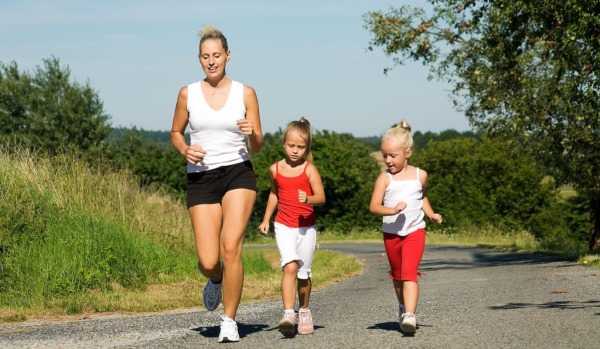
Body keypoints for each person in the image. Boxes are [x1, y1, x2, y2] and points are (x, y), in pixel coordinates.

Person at [170, 25, 263, 343]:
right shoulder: (188, 93)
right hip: (201, 176)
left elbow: (259, 145)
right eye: (206, 57)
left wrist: (253, 133)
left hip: (238, 173)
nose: (212, 61)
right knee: (209, 260)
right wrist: (184, 148)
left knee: (231, 246)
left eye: (217, 55)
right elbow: (175, 133)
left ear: (228, 55)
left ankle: (230, 320)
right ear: (199, 59)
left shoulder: (245, 93)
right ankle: (216, 279)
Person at [369, 120, 442, 336]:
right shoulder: (384, 178)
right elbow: (374, 206)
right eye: (385, 155)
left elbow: (422, 197)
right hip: (391, 234)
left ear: (407, 153)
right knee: (398, 275)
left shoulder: (421, 175)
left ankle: (410, 314)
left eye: (393, 156)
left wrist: (431, 214)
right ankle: (402, 307)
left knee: (410, 273)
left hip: (414, 231)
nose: (388, 160)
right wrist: (391, 211)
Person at [258, 117, 325, 337]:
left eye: (301, 147)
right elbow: (274, 194)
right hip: (283, 225)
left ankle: (304, 310)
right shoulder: (275, 169)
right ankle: (288, 313)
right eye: (291, 146)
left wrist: (308, 199)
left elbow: (321, 198)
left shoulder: (309, 170)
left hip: (306, 228)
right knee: (290, 266)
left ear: (307, 148)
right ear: (284, 144)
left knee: (303, 275)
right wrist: (266, 219)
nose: (295, 151)